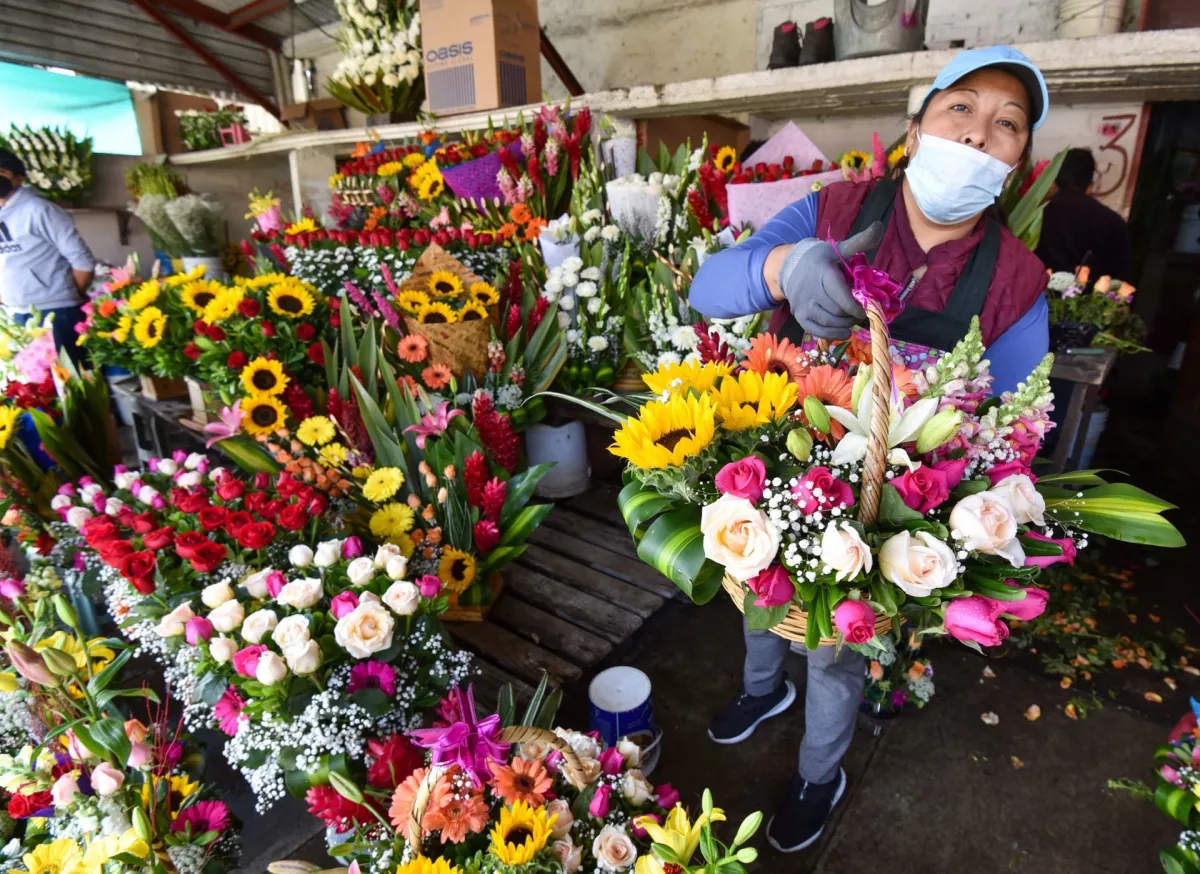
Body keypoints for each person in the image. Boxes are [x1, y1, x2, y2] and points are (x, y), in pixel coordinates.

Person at [688, 45, 1051, 853]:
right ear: (916, 128)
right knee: (752, 590)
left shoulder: (1018, 280)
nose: (979, 134)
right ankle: (758, 692)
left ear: (1017, 163)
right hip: (781, 458)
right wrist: (786, 267)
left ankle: (820, 772)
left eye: (1007, 124)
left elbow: (1010, 436)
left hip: (887, 496)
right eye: (960, 109)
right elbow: (707, 288)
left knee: (835, 648)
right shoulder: (834, 209)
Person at [0, 147, 96, 360]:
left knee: (71, 383)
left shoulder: (40, 210)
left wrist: (63, 294)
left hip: (55, 312)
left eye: (2, 173)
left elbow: (83, 261)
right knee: (39, 388)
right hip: (16, 312)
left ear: (18, 177)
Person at [1035, 147, 1133, 280]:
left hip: (1037, 294)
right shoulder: (1111, 221)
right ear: (1090, 180)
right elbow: (1120, 277)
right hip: (1084, 298)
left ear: (1055, 176)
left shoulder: (1036, 213)